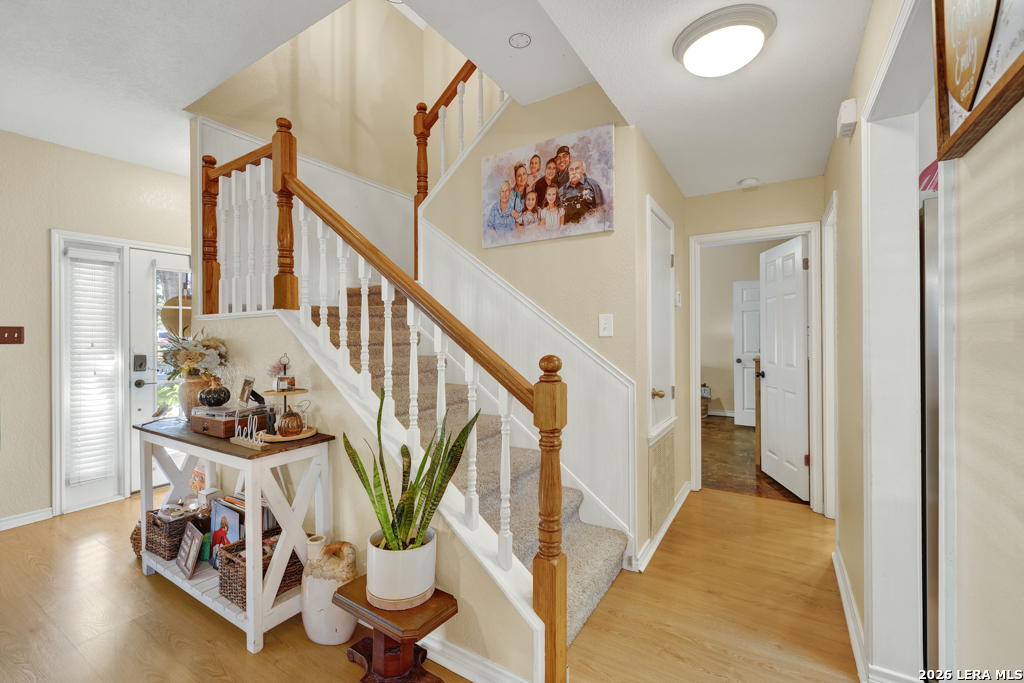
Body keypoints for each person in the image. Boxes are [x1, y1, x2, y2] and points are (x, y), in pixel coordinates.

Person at [560, 159, 604, 224]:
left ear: (583, 170)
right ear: (568, 172)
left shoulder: (593, 185)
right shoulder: (560, 191)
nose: (574, 172)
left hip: (588, 227)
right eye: (571, 170)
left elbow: (602, 209)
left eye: (577, 168)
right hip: (568, 229)